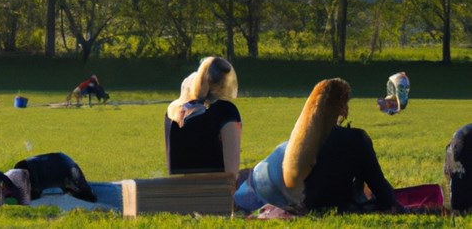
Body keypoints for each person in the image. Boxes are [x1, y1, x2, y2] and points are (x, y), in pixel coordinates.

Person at [234, 78, 403, 215]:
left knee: (248, 178)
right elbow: (383, 193)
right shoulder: (357, 139)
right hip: (326, 202)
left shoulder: (297, 147)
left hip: (271, 188)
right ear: (343, 109)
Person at [164, 56, 241, 175]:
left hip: (179, 191)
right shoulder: (226, 111)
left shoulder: (172, 112)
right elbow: (231, 173)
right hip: (214, 191)